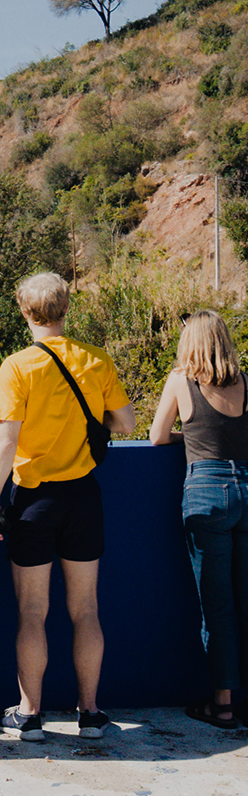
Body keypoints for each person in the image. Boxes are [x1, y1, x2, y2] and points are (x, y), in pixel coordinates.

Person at [0, 272, 134, 743]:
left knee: (32, 612)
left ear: (24, 312)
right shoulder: (96, 360)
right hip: (83, 496)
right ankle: (90, 713)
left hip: (34, 499)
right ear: (66, 308)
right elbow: (126, 424)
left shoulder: (17, 366)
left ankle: (29, 715)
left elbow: (6, 439)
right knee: (86, 610)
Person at [149, 310, 248, 729]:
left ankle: (222, 705)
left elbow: (157, 436)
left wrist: (190, 436)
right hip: (246, 487)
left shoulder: (180, 381)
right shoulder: (246, 383)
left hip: (207, 493)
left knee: (218, 605)